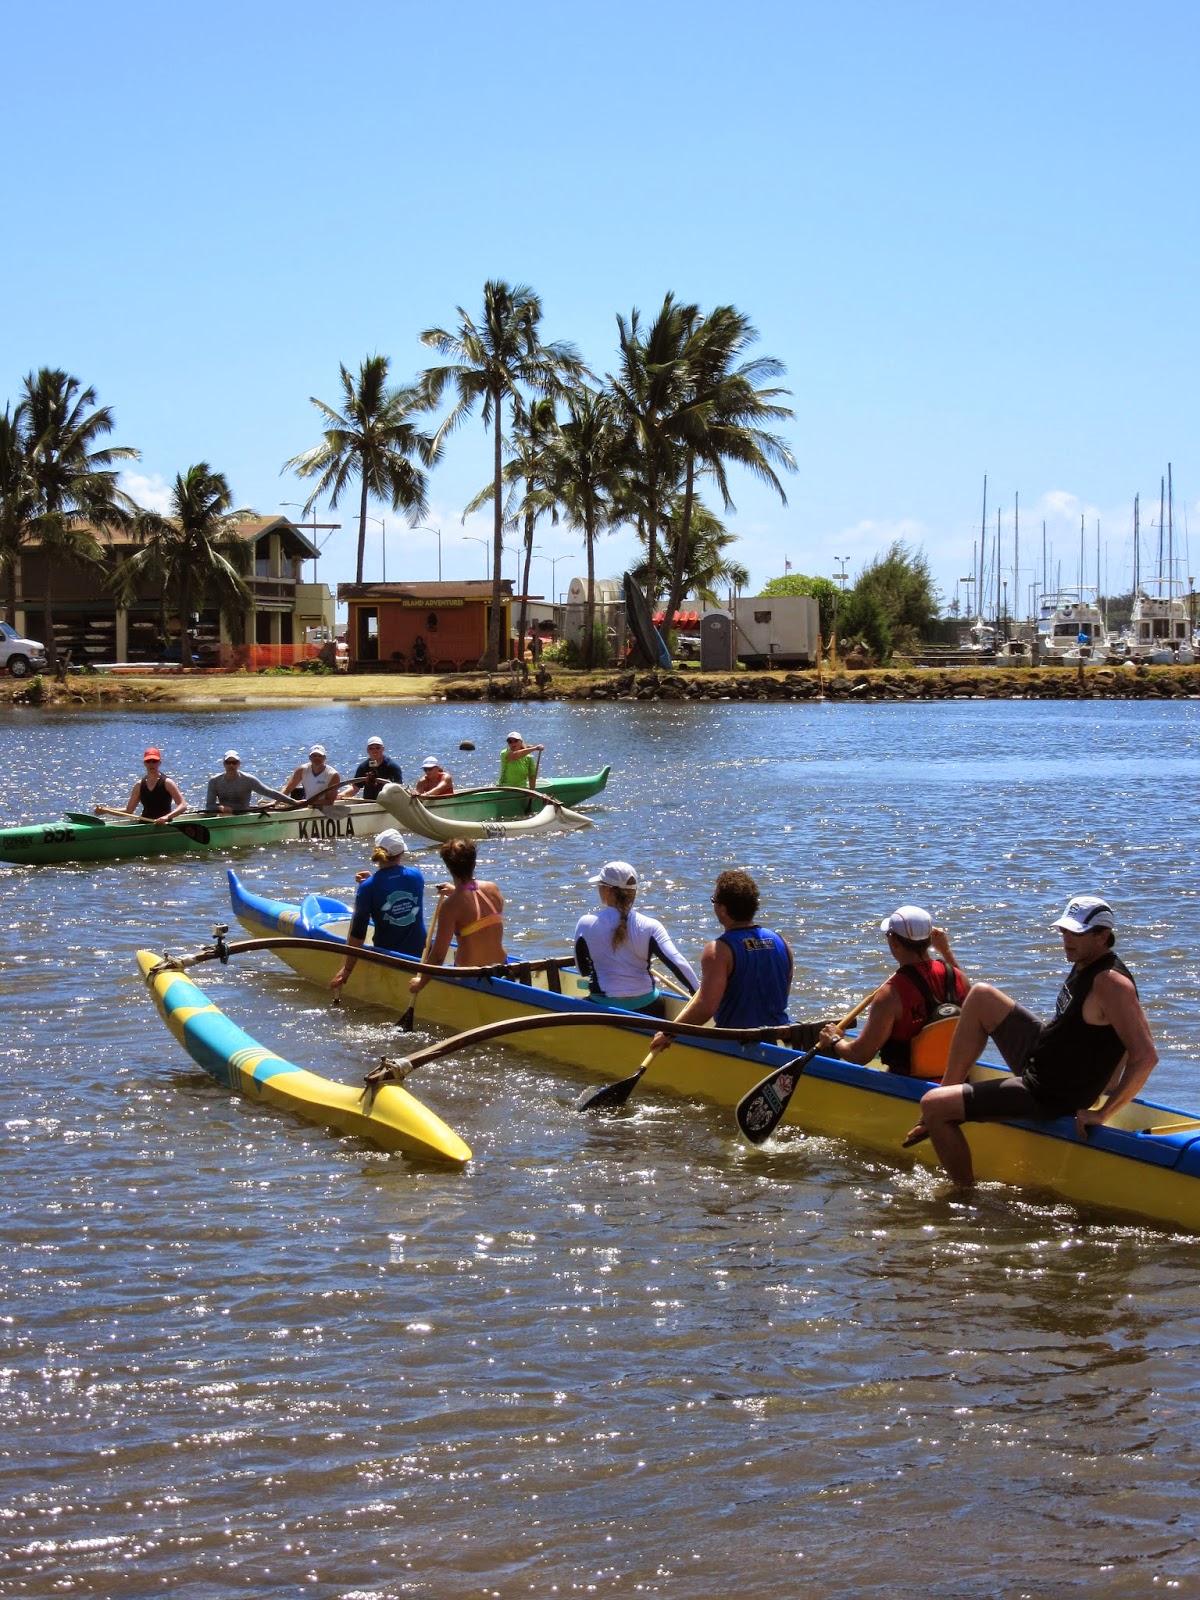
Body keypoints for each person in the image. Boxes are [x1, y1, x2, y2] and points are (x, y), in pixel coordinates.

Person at [913, 896, 1158, 1186]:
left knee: (933, 1105)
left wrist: (1103, 1113)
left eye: (1076, 933)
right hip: (1043, 1059)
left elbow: (1145, 1055)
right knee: (981, 996)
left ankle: (964, 1194)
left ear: (1102, 936)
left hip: (1047, 1092)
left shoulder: (1111, 983)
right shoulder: (1084, 961)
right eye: (1064, 931)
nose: (1067, 939)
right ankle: (949, 1090)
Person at [650, 869, 792, 1050]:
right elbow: (780, 995)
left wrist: (669, 1032)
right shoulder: (782, 942)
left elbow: (706, 1008)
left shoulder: (718, 951)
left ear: (722, 909)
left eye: (713, 901)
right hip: (780, 1042)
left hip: (737, 1044)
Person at [819, 905, 969, 1074]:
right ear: (930, 940)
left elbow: (859, 1055)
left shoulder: (890, 995)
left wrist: (833, 1039)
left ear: (894, 942)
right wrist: (945, 950)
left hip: (910, 1085)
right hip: (956, 1078)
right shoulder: (956, 977)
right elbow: (965, 994)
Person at [574, 861, 699, 1018]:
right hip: (650, 1007)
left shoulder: (586, 923)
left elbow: (582, 970)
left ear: (607, 890)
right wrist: (699, 995)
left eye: (599, 885)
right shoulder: (651, 925)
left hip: (604, 1008)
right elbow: (678, 963)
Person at [407, 838, 505, 1003]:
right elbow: (478, 912)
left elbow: (438, 955)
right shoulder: (492, 888)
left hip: (468, 975)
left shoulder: (450, 907)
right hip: (502, 969)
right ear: (474, 864)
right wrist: (458, 891)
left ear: (449, 867)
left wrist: (420, 983)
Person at [330, 829, 427, 995]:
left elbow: (358, 934)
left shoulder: (368, 888)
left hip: (387, 955)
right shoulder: (417, 876)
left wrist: (347, 970)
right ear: (401, 852)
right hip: (419, 954)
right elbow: (393, 882)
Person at [99, 746, 187, 824]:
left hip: (164, 825)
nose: (151, 764)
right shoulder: (139, 785)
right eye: (148, 761)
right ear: (144, 763)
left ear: (159, 763)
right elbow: (128, 810)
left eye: (154, 761)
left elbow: (183, 805)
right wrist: (107, 810)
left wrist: (167, 817)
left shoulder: (167, 782)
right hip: (145, 825)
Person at [202, 751, 294, 815]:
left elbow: (269, 792)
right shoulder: (214, 781)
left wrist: (294, 802)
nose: (231, 765)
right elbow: (209, 806)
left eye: (234, 762)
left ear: (239, 763)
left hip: (244, 814)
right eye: (228, 762)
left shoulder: (248, 779)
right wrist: (220, 808)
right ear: (224, 764)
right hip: (223, 815)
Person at [343, 735, 402, 800]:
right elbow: (355, 788)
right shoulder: (363, 767)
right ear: (367, 750)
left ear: (383, 749)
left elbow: (399, 789)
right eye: (371, 748)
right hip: (368, 802)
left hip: (387, 803)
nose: (374, 751)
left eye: (377, 748)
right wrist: (341, 795)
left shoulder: (392, 767)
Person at [283, 744, 341, 810]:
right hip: (307, 805)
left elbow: (329, 802)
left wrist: (307, 803)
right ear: (309, 757)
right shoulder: (302, 770)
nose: (317, 758)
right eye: (314, 756)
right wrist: (276, 802)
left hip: (324, 808)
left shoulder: (333, 775)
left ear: (324, 758)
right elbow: (288, 789)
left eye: (320, 756)